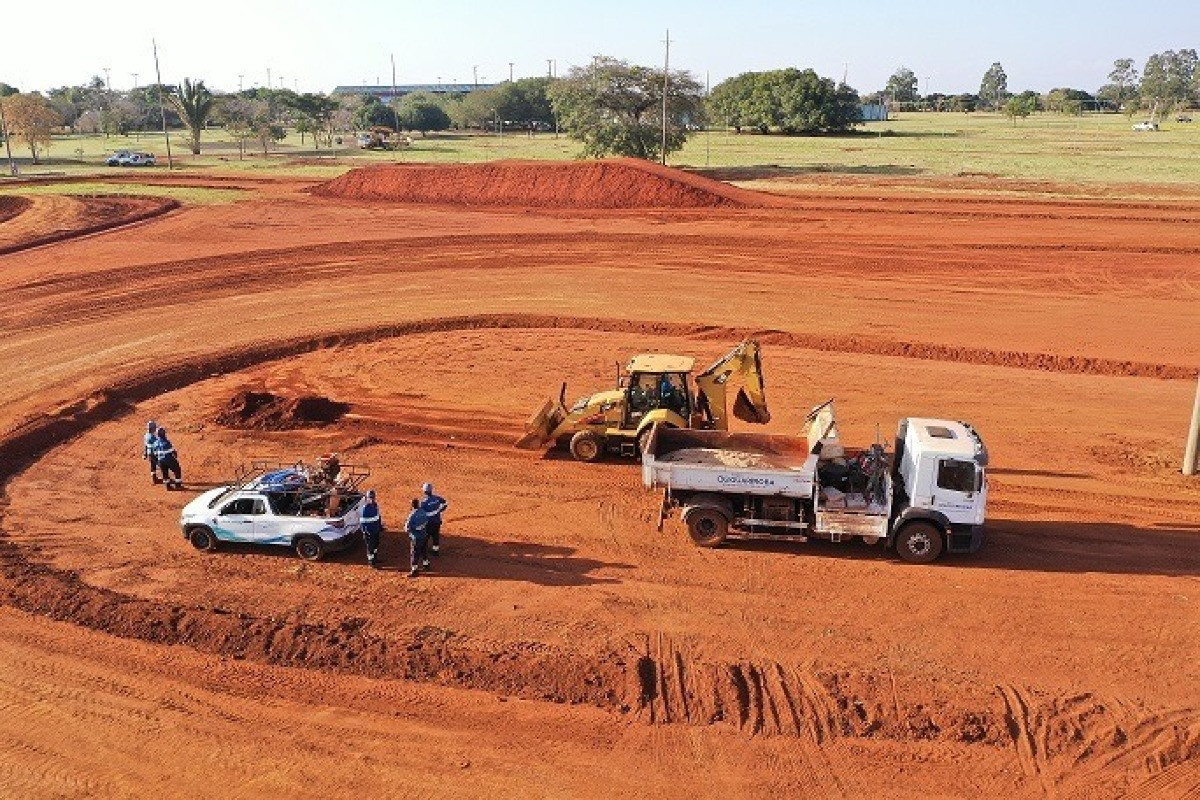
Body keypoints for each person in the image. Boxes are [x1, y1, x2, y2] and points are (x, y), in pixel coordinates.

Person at [420, 482, 448, 555]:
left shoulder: (423, 503)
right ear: (431, 490)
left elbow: (420, 513)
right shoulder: (437, 498)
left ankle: (424, 550)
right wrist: (440, 510)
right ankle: (436, 551)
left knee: (426, 537)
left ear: (424, 491)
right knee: (436, 536)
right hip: (437, 522)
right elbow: (445, 503)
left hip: (428, 523)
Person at [405, 498, 431, 578]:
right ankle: (426, 564)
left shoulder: (412, 515)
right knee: (424, 550)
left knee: (415, 553)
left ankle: (414, 570)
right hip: (424, 535)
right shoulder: (423, 512)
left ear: (412, 506)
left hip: (416, 538)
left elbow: (407, 528)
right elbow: (427, 521)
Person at [360, 489, 383, 569]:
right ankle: (371, 562)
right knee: (370, 547)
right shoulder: (365, 508)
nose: (372, 499)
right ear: (367, 498)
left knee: (376, 544)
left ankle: (375, 558)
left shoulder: (375, 505)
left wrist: (380, 526)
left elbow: (378, 516)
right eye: (370, 497)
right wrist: (366, 532)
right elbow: (362, 523)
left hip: (375, 530)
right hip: (369, 532)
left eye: (373, 497)